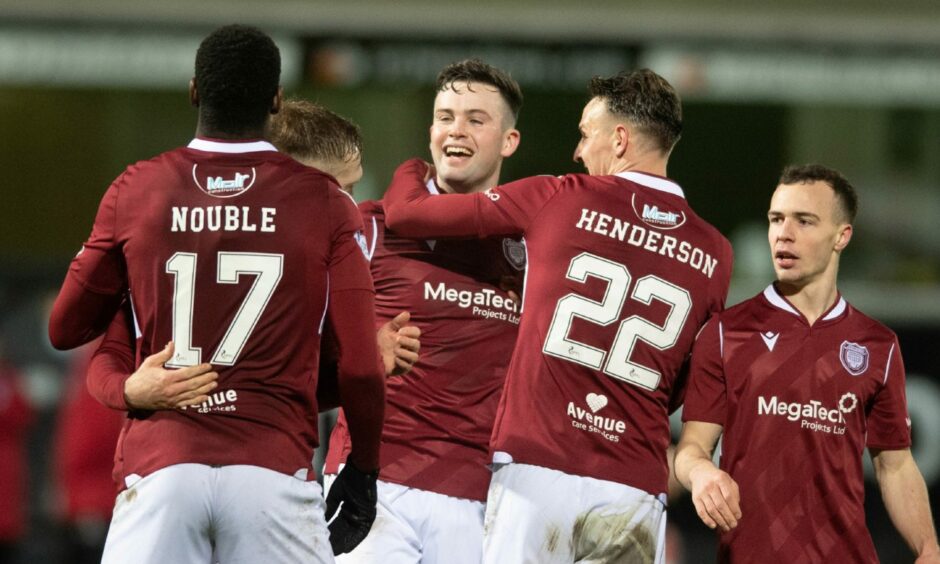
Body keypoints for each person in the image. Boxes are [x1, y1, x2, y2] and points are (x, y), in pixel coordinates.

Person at [47, 24, 385, 564]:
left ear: (193, 92)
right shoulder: (325, 202)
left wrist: (131, 388)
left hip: (163, 469)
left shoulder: (136, 190)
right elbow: (362, 369)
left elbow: (66, 329)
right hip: (272, 471)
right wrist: (363, 468)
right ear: (276, 101)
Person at [382, 68, 733, 563]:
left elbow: (407, 214)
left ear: (619, 138)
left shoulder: (561, 196)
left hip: (537, 468)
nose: (577, 151)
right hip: (632, 484)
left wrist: (411, 169)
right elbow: (686, 380)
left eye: (586, 135)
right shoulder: (715, 252)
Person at [674, 165, 940, 563]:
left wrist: (928, 547)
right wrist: (701, 474)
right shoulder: (727, 332)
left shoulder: (878, 346)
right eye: (776, 219)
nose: (784, 232)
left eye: (804, 221)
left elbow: (895, 465)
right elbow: (692, 447)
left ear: (841, 236)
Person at [321, 59, 526, 564]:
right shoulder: (370, 227)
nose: (456, 130)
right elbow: (296, 328)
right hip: (373, 485)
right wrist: (358, 346)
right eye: (445, 116)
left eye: (476, 120)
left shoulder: (531, 249)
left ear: (509, 141)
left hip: (480, 499)